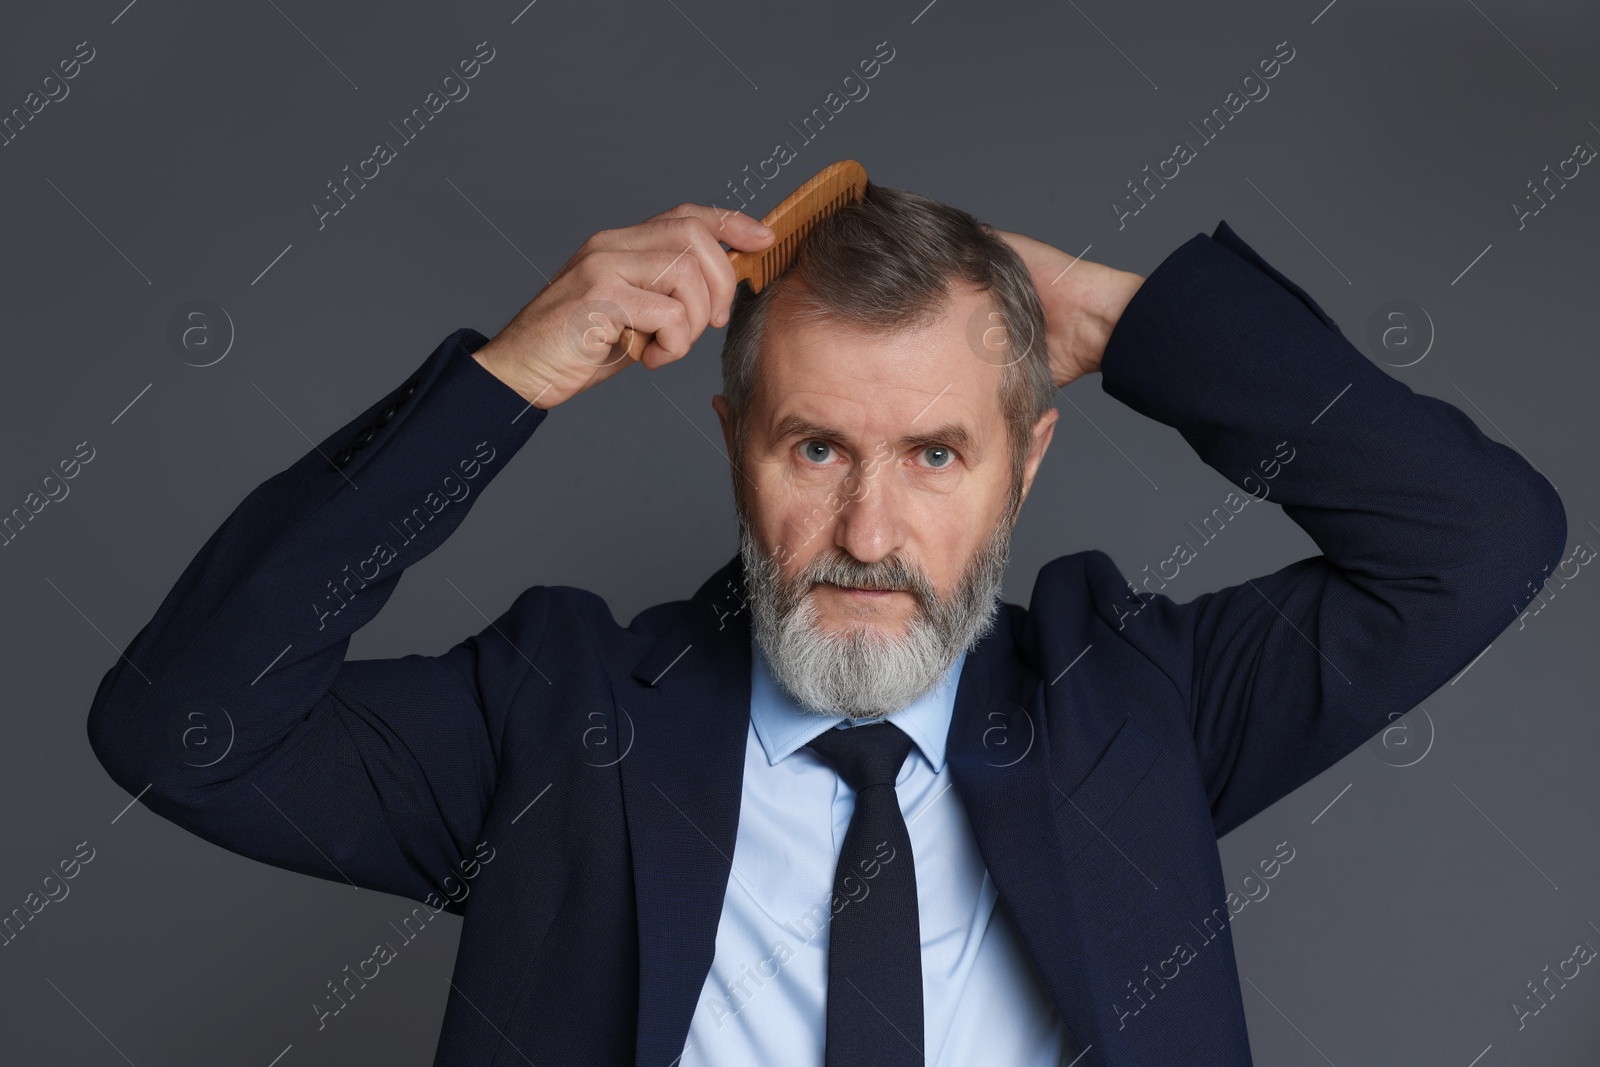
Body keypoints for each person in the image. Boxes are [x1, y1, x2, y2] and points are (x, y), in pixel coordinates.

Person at [86, 181, 1566, 1066]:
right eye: (815, 450)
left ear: (1023, 463)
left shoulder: (1137, 708)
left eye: (935, 452)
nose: (869, 536)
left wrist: (1129, 325)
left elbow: (1477, 543)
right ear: (733, 442)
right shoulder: (558, 719)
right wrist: (507, 380)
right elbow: (183, 731)